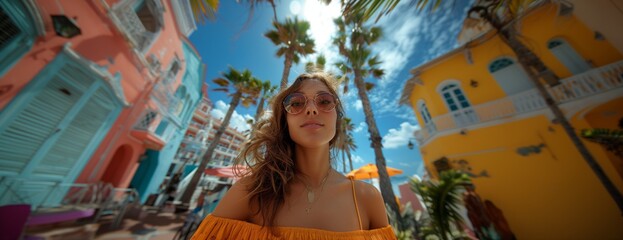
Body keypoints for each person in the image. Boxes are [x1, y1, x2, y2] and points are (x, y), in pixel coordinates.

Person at [191, 72, 396, 239]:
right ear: (285, 120)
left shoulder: (367, 198)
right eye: (297, 103)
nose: (312, 109)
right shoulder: (250, 192)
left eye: (324, 101)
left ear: (337, 118)